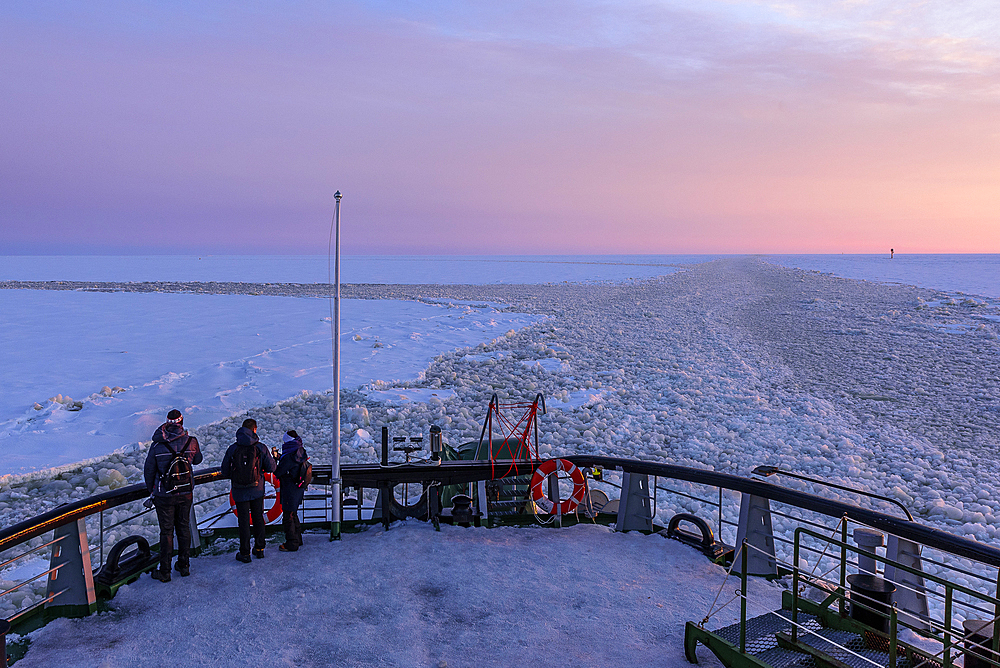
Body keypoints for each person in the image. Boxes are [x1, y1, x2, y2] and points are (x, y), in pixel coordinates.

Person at [143, 409, 203, 582]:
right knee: (183, 528)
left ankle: (165, 571)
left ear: (167, 423)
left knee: (166, 532)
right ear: (182, 423)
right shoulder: (191, 441)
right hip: (185, 492)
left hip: (164, 495)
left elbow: (149, 470)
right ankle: (184, 566)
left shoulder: (157, 446)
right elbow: (197, 459)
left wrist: (153, 491)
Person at [221, 418, 275, 563]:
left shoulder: (233, 448)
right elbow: (271, 468)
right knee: (258, 518)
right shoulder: (261, 448)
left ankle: (244, 553)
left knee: (243, 521)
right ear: (255, 430)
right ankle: (259, 549)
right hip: (257, 489)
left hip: (239, 490)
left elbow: (224, 470)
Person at [274, 430, 309, 552]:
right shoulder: (300, 451)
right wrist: (280, 458)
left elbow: (278, 472)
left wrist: (275, 461)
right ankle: (298, 539)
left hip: (289, 488)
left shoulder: (288, 455)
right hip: (298, 488)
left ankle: (291, 543)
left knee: (288, 516)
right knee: (293, 513)